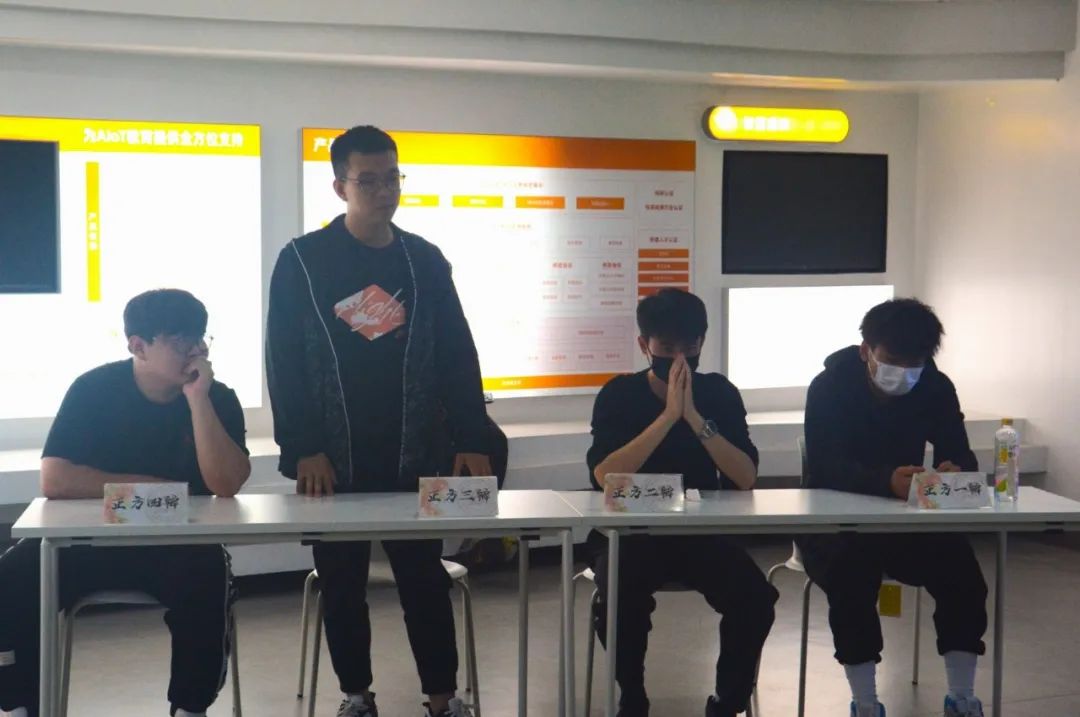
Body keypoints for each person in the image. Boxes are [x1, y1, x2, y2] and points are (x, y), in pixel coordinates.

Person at [266, 125, 492, 717]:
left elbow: (457, 353)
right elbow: (283, 362)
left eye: (393, 178)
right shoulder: (303, 260)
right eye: (369, 181)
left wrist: (471, 435)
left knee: (424, 580)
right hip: (332, 458)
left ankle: (442, 698)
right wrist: (303, 446)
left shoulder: (423, 260)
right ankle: (356, 696)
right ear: (340, 186)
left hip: (415, 452)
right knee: (342, 582)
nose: (384, 191)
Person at [0, 289, 250, 717]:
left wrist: (198, 400)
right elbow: (55, 478)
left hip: (177, 547)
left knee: (209, 577)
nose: (196, 350)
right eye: (180, 341)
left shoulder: (218, 397)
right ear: (138, 346)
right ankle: (19, 705)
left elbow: (226, 485)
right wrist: (158, 489)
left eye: (200, 337)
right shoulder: (94, 389)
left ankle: (190, 709)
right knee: (12, 576)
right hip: (88, 543)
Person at [585, 288, 778, 717]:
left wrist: (693, 417)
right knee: (619, 597)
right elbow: (604, 476)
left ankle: (727, 702)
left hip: (700, 533)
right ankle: (632, 696)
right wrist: (669, 416)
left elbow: (745, 476)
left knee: (755, 599)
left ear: (702, 342)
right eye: (667, 348)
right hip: (630, 534)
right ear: (644, 345)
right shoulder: (618, 394)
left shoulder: (720, 393)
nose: (679, 359)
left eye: (689, 348)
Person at [799, 298, 988, 717]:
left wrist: (953, 472)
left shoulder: (935, 387)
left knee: (962, 573)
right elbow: (825, 466)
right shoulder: (829, 386)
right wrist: (885, 481)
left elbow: (961, 456)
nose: (903, 373)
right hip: (835, 526)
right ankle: (866, 702)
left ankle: (962, 696)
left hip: (905, 523)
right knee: (851, 578)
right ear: (865, 350)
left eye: (914, 364)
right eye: (892, 361)